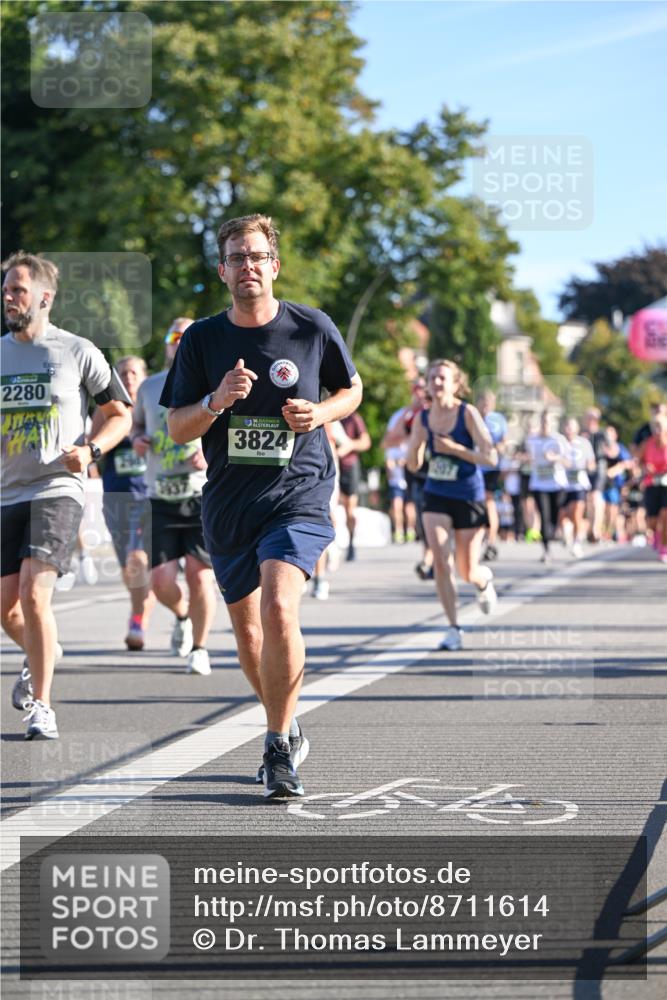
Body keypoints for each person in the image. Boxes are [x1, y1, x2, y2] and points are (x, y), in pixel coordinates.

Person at [160, 214, 361, 798]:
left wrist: (320, 414)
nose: (246, 266)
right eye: (235, 258)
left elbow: (352, 390)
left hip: (298, 492)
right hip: (229, 502)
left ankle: (276, 748)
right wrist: (216, 401)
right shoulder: (201, 339)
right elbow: (176, 426)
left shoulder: (311, 327)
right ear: (222, 271)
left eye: (256, 256)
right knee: (248, 636)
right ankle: (286, 718)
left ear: (274, 265)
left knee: (278, 607)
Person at [1, 251, 132, 739]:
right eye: (6, 290)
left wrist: (92, 449)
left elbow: (120, 413)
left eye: (18, 289)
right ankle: (44, 653)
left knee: (35, 595)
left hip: (58, 487)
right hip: (6, 491)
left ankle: (42, 706)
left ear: (45, 297)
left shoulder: (77, 351)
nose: (9, 297)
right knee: (7, 608)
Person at [131, 319, 216, 675]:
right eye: (174, 337)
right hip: (159, 496)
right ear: (167, 344)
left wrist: (209, 454)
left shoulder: (211, 382)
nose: (180, 343)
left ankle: (199, 647)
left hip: (199, 494)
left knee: (199, 577)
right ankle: (183, 617)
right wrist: (137, 439)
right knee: (161, 581)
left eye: (187, 337)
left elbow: (227, 430)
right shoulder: (149, 388)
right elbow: (135, 425)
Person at [407, 358, 498, 652]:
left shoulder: (467, 413)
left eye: (442, 377)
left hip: (468, 495)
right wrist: (413, 447)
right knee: (442, 561)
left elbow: (490, 458)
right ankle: (453, 628)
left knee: (467, 570)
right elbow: (413, 463)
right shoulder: (422, 418)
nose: (436, 382)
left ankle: (483, 583)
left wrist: (457, 450)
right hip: (436, 494)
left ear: (456, 383)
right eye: (431, 377)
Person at [92, 355, 155, 649]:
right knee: (128, 567)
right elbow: (92, 449)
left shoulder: (155, 405)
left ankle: (137, 621)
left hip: (149, 497)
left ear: (143, 376)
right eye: (122, 373)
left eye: (133, 372)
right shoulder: (106, 410)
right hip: (116, 495)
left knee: (136, 558)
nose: (128, 378)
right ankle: (145, 605)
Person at [526, 411, 568, 564]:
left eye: (548, 422)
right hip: (539, 483)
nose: (545, 425)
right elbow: (527, 457)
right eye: (543, 422)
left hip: (556, 484)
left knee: (554, 516)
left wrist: (555, 458)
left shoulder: (559, 439)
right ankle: (546, 549)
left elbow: (568, 462)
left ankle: (552, 535)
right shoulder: (532, 440)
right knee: (544, 515)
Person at [476, 389, 508, 562]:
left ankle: (491, 540)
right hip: (474, 467)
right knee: (477, 503)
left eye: (490, 404)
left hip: (490, 468)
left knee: (488, 503)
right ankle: (480, 538)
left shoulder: (498, 420)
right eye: (484, 403)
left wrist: (498, 450)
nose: (487, 407)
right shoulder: (471, 417)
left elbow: (504, 442)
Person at [559, 417, 596, 558]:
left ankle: (576, 543)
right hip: (562, 483)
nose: (569, 429)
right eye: (567, 426)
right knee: (562, 514)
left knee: (577, 513)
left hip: (579, 483)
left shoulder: (584, 443)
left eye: (571, 427)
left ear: (577, 429)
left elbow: (591, 462)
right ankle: (566, 531)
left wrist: (589, 467)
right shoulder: (559, 443)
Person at [338, 409, 371, 560]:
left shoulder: (353, 418)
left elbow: (366, 442)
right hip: (331, 465)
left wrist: (350, 445)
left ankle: (351, 542)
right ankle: (330, 547)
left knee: (349, 509)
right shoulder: (326, 415)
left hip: (349, 466)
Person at [638, 413, 667, 562]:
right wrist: (645, 467)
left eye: (660, 427)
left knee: (665, 515)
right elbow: (639, 461)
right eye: (655, 427)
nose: (657, 430)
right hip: (651, 483)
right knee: (653, 520)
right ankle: (656, 534)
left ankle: (664, 547)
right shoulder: (647, 444)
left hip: (666, 484)